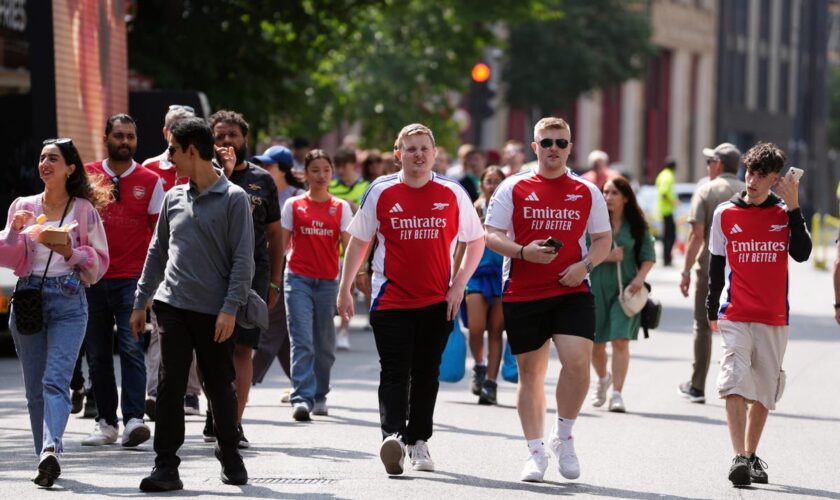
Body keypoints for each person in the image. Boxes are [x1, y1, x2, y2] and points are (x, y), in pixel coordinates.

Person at [337, 123, 484, 476]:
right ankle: (393, 437)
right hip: (391, 300)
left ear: (434, 153)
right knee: (394, 371)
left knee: (425, 373)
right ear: (397, 153)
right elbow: (359, 240)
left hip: (438, 300)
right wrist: (344, 287)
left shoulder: (452, 192)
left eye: (424, 148)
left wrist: (459, 284)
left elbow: (476, 240)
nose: (418, 154)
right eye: (411, 148)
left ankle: (418, 441)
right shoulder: (381, 191)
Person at [484, 117, 611, 483]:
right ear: (534, 147)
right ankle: (536, 453)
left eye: (561, 142)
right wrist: (522, 252)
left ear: (571, 148)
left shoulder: (587, 191)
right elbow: (491, 235)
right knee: (532, 374)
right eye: (547, 142)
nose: (554, 148)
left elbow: (603, 240)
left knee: (577, 362)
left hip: (571, 289)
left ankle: (564, 436)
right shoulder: (513, 187)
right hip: (523, 291)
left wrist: (583, 266)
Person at [130, 117, 254, 492]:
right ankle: (165, 465)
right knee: (169, 386)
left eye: (173, 151)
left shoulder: (234, 199)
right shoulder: (173, 197)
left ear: (192, 151)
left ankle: (229, 452)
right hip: (172, 306)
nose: (169, 159)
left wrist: (231, 308)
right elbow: (157, 252)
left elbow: (243, 261)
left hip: (216, 313)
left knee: (220, 385)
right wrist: (141, 301)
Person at [0, 138, 110, 487]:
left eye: (54, 158)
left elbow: (99, 262)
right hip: (30, 296)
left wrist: (68, 251)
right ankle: (43, 458)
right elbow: (9, 258)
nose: (45, 164)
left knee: (55, 380)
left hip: (68, 299)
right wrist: (14, 232)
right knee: (34, 388)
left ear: (70, 168)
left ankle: (51, 447)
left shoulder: (83, 210)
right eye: (42, 158)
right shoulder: (24, 205)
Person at [706, 142, 811, 486]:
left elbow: (802, 253)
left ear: (775, 179)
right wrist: (710, 308)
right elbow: (716, 265)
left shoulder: (784, 212)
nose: (752, 180)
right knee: (733, 381)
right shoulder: (725, 212)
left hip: (774, 316)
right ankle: (738, 456)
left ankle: (751, 456)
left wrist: (794, 205)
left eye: (761, 175)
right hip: (735, 312)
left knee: (765, 389)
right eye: (749, 172)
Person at [82, 114, 163, 448]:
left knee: (131, 349)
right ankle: (105, 422)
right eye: (119, 135)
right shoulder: (86, 176)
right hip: (91, 277)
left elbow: (161, 234)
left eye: (131, 136)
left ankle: (133, 420)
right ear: (106, 138)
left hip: (133, 279)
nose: (125, 142)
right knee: (98, 354)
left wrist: (154, 283)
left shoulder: (151, 179)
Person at [208, 110, 282, 448]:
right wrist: (220, 173)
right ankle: (216, 411)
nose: (226, 142)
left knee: (242, 348)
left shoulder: (262, 180)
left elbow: (275, 235)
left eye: (232, 136)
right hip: (211, 272)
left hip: (254, 272)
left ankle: (233, 423)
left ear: (244, 139)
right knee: (212, 348)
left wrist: (275, 281)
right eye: (220, 136)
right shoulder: (202, 177)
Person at [281, 150, 352, 421]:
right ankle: (302, 397)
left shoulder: (341, 207)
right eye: (315, 170)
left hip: (327, 283)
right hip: (297, 278)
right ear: (305, 174)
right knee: (302, 340)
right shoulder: (294, 205)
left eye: (325, 170)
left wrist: (352, 281)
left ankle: (320, 394)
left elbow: (349, 246)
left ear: (332, 173)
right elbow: (282, 244)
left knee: (324, 343)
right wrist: (274, 281)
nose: (321, 176)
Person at [142, 104, 202, 419]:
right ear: (165, 132)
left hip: (195, 260)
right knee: (158, 328)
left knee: (193, 326)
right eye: (175, 125)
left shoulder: (204, 165)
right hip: (160, 260)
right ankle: (155, 391)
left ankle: (191, 394)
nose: (179, 129)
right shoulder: (149, 168)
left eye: (186, 125)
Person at [677, 143, 744, 403]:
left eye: (709, 162)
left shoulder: (706, 189)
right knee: (741, 329)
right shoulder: (748, 191)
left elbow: (697, 236)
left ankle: (697, 386)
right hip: (742, 270)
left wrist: (684, 271)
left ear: (718, 164)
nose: (707, 167)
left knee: (703, 326)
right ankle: (740, 388)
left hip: (709, 269)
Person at [588, 176, 655, 413]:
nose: (608, 197)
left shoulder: (636, 225)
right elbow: (582, 255)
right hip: (594, 289)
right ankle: (603, 378)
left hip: (624, 291)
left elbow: (648, 254)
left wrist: (640, 278)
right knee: (595, 344)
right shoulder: (592, 221)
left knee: (620, 340)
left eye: (614, 193)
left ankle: (616, 393)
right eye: (605, 192)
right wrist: (607, 256)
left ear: (626, 197)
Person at [251, 145, 306, 390]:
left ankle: (242, 381)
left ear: (283, 169)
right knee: (282, 334)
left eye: (268, 165)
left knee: (271, 328)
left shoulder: (298, 197)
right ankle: (303, 384)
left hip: (290, 270)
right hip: (262, 263)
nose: (263, 169)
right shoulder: (261, 191)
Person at [464, 166, 507, 405]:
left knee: (496, 329)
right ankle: (479, 365)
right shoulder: (473, 208)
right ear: (481, 184)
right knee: (476, 327)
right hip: (476, 272)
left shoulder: (510, 209)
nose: (492, 185)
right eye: (489, 181)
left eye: (497, 181)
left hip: (501, 273)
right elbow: (460, 238)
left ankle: (491, 383)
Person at [329, 146, 370, 350]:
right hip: (330, 249)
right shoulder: (331, 186)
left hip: (353, 250)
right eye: (337, 166)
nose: (340, 170)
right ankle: (329, 330)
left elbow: (368, 219)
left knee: (349, 290)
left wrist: (353, 207)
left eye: (343, 166)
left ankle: (343, 331)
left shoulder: (366, 187)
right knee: (330, 293)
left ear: (353, 165)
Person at [655, 157, 677, 266]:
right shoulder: (668, 176)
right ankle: (667, 258)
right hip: (667, 210)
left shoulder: (662, 174)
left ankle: (666, 258)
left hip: (663, 210)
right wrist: (673, 202)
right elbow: (664, 193)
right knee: (670, 236)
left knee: (667, 235)